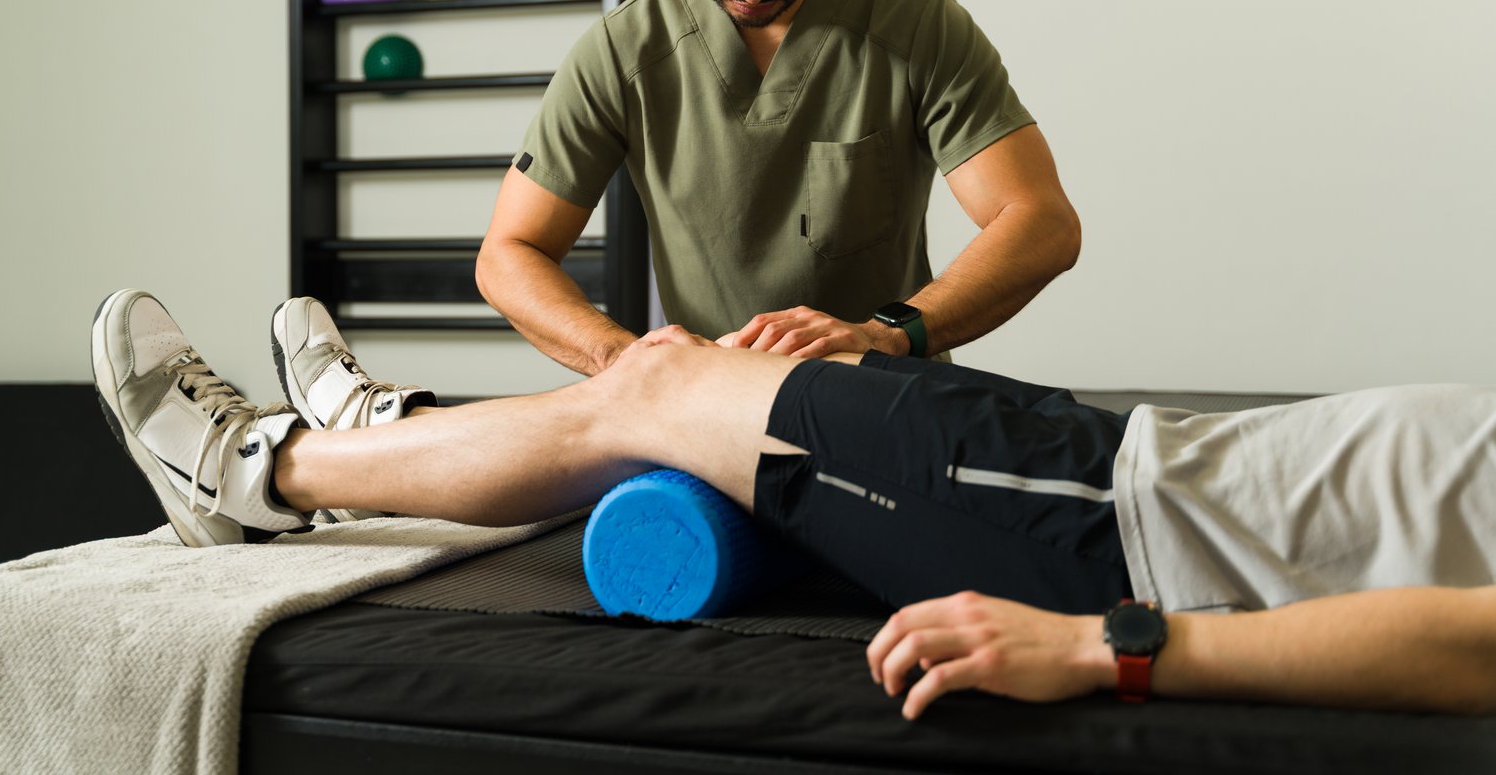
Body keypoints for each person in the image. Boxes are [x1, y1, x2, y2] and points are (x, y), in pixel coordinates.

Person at [95, 288, 1496, 718]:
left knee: (657, 389)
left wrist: (1105, 644)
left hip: (1112, 528)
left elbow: (1479, 647)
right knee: (659, 374)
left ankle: (258, 473)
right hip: (1118, 474)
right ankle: (375, 435)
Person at [475, 0, 1082, 375]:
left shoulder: (916, 22)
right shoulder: (624, 50)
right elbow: (508, 252)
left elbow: (1041, 222)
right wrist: (629, 361)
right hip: (709, 413)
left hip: (884, 397)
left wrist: (884, 335)